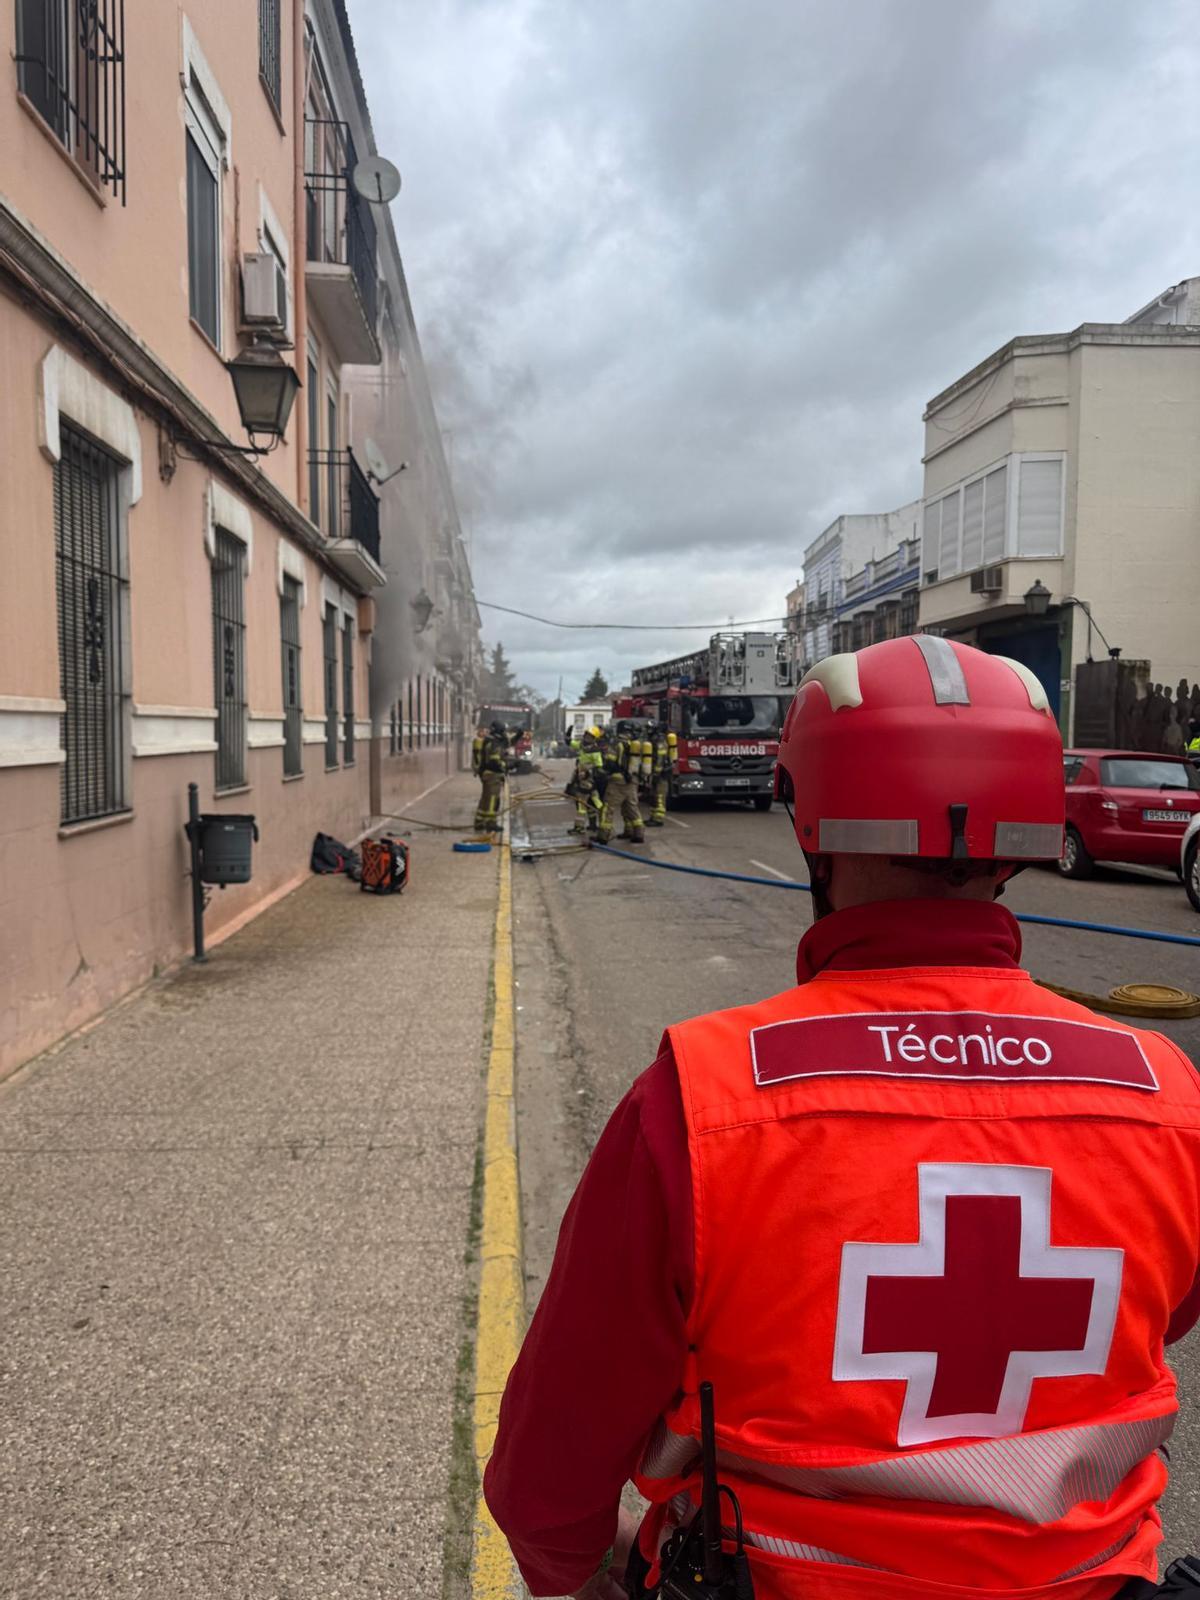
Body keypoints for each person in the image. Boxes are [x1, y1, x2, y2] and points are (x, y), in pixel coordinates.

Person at [484, 636, 1200, 1600]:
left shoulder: (699, 1100)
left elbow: (553, 1453)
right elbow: (1163, 1310)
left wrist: (574, 1566)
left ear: (810, 827)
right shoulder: (1165, 1091)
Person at [596, 720, 647, 845]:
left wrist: (602, 772)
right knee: (631, 807)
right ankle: (637, 833)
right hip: (633, 780)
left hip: (617, 780)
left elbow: (610, 762)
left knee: (608, 808)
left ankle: (603, 836)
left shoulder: (616, 743)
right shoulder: (636, 744)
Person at [472, 718, 509, 833]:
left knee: (485, 798)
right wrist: (508, 766)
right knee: (493, 800)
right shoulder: (493, 742)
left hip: (486, 773)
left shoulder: (488, 740)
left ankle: (479, 822)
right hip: (492, 775)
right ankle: (490, 823)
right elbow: (494, 761)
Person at [644, 724, 677, 827]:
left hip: (661, 773)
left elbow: (660, 757)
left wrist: (656, 773)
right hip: (656, 772)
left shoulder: (659, 740)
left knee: (659, 795)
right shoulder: (655, 739)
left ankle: (658, 819)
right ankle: (653, 817)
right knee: (653, 795)